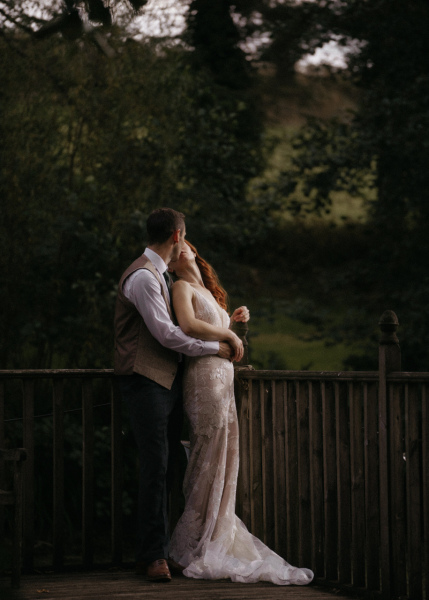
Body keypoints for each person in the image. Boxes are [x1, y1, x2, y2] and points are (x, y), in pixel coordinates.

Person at [167, 241, 314, 586]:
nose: (182, 248)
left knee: (224, 454)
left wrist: (230, 320)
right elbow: (188, 325)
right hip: (203, 378)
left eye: (186, 243)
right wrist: (229, 333)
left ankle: (216, 529)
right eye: (177, 247)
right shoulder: (180, 286)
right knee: (207, 451)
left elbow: (215, 329)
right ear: (171, 265)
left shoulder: (206, 289)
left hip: (223, 380)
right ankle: (195, 538)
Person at [113, 208, 244, 582]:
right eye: (184, 238)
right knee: (156, 465)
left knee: (169, 465)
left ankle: (161, 550)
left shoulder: (163, 276)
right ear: (177, 236)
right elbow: (167, 334)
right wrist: (215, 348)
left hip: (166, 381)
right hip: (145, 379)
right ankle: (152, 556)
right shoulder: (143, 277)